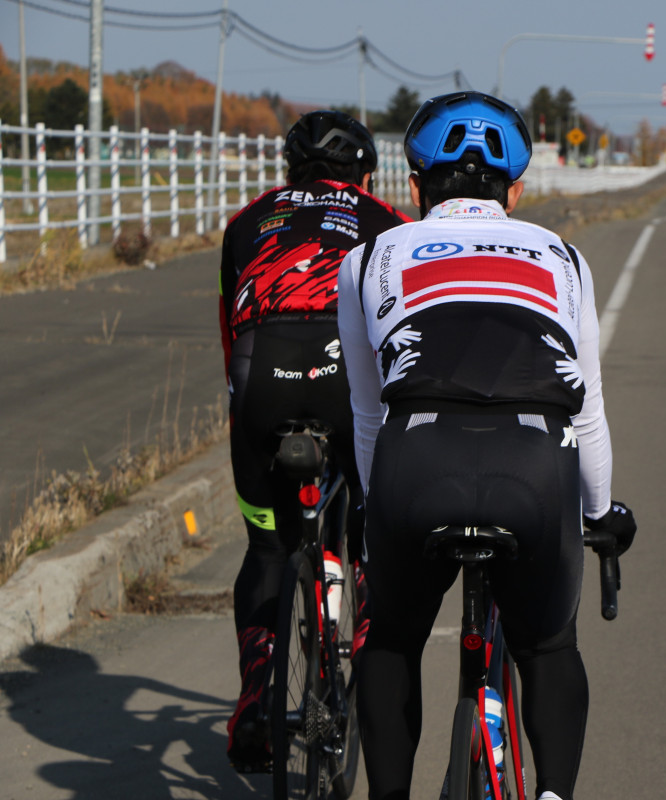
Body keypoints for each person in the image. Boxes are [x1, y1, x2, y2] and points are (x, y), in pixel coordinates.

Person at [336, 91, 637, 800]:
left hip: (416, 459)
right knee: (548, 645)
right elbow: (587, 411)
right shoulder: (564, 256)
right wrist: (600, 515)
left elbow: (368, 412)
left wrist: (375, 513)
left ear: (411, 188)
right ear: (518, 191)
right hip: (535, 465)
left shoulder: (371, 256)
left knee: (391, 641)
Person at [218, 109, 411, 772]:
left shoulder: (247, 220)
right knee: (369, 515)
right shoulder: (386, 220)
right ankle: (361, 619)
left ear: (289, 170)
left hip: (258, 370)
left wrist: (250, 411)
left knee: (267, 545)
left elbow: (228, 335)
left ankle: (253, 697)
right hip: (341, 372)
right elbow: (400, 335)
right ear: (365, 172)